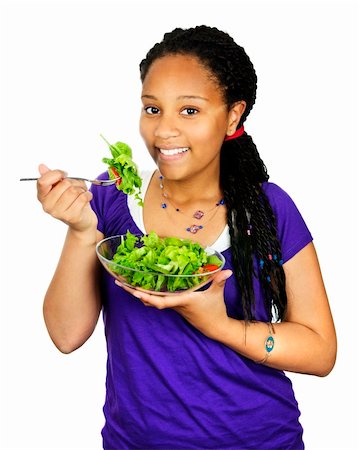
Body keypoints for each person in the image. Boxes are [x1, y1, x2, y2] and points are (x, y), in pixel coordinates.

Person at [37, 25, 337, 450]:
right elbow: (66, 336)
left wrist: (219, 325)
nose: (164, 132)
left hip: (259, 440)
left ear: (233, 115)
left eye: (190, 111)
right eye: (152, 109)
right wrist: (82, 230)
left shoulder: (268, 208)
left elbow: (320, 351)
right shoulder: (111, 195)